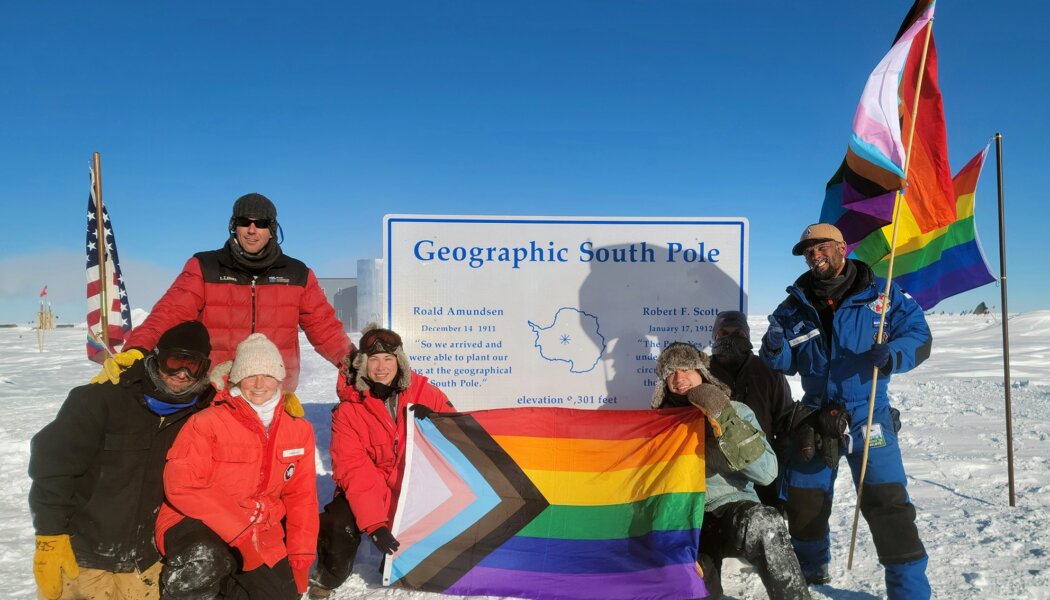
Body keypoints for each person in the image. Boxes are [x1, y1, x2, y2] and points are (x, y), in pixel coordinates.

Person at [760, 223, 932, 598]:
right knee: (804, 502)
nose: (814, 256)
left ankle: (909, 590)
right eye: (809, 252)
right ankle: (811, 570)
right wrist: (773, 348)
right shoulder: (793, 306)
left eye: (821, 248)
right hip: (815, 413)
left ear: (842, 247)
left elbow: (919, 336)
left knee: (887, 503)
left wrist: (894, 354)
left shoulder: (882, 294)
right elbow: (783, 362)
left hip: (868, 411)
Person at [29, 321, 214, 600]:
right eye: (175, 362)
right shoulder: (102, 398)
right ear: (158, 357)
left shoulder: (203, 412)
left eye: (193, 366)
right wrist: (50, 534)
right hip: (84, 558)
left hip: (146, 565)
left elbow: (250, 399)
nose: (182, 374)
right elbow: (53, 468)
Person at [95, 192, 351, 392]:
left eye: (261, 223)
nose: (252, 230)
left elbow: (325, 328)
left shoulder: (297, 274)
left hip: (273, 391)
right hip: (215, 390)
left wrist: (356, 362)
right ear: (233, 226)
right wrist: (138, 349)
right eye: (244, 222)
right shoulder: (205, 267)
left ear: (272, 229)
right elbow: (169, 315)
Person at [155, 333, 318, 599]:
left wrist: (301, 557)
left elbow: (302, 497)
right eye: (250, 375)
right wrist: (239, 534)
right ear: (237, 377)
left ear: (279, 378)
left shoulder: (298, 429)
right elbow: (181, 486)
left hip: (258, 528)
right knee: (206, 559)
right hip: (196, 520)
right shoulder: (207, 422)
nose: (259, 384)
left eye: (267, 375)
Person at [652, 342, 810, 600]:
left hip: (731, 506)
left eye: (686, 369)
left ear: (702, 372)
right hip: (683, 517)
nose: (679, 379)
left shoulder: (736, 411)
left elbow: (767, 473)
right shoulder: (657, 425)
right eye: (671, 373)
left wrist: (725, 419)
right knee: (699, 583)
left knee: (765, 523)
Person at [309, 324, 455, 599]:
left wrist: (437, 424)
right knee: (338, 521)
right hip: (369, 485)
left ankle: (402, 561)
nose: (381, 367)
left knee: (407, 566)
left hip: (413, 485)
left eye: (388, 358)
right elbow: (353, 470)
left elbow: (456, 438)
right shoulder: (349, 410)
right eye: (374, 359)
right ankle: (328, 575)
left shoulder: (425, 392)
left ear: (399, 362)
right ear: (363, 364)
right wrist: (375, 522)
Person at [708, 310, 798, 509]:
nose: (730, 338)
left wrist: (781, 478)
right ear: (715, 336)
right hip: (716, 478)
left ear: (747, 336)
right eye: (724, 333)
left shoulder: (768, 372)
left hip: (761, 470)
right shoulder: (702, 373)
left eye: (738, 333)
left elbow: (785, 425)